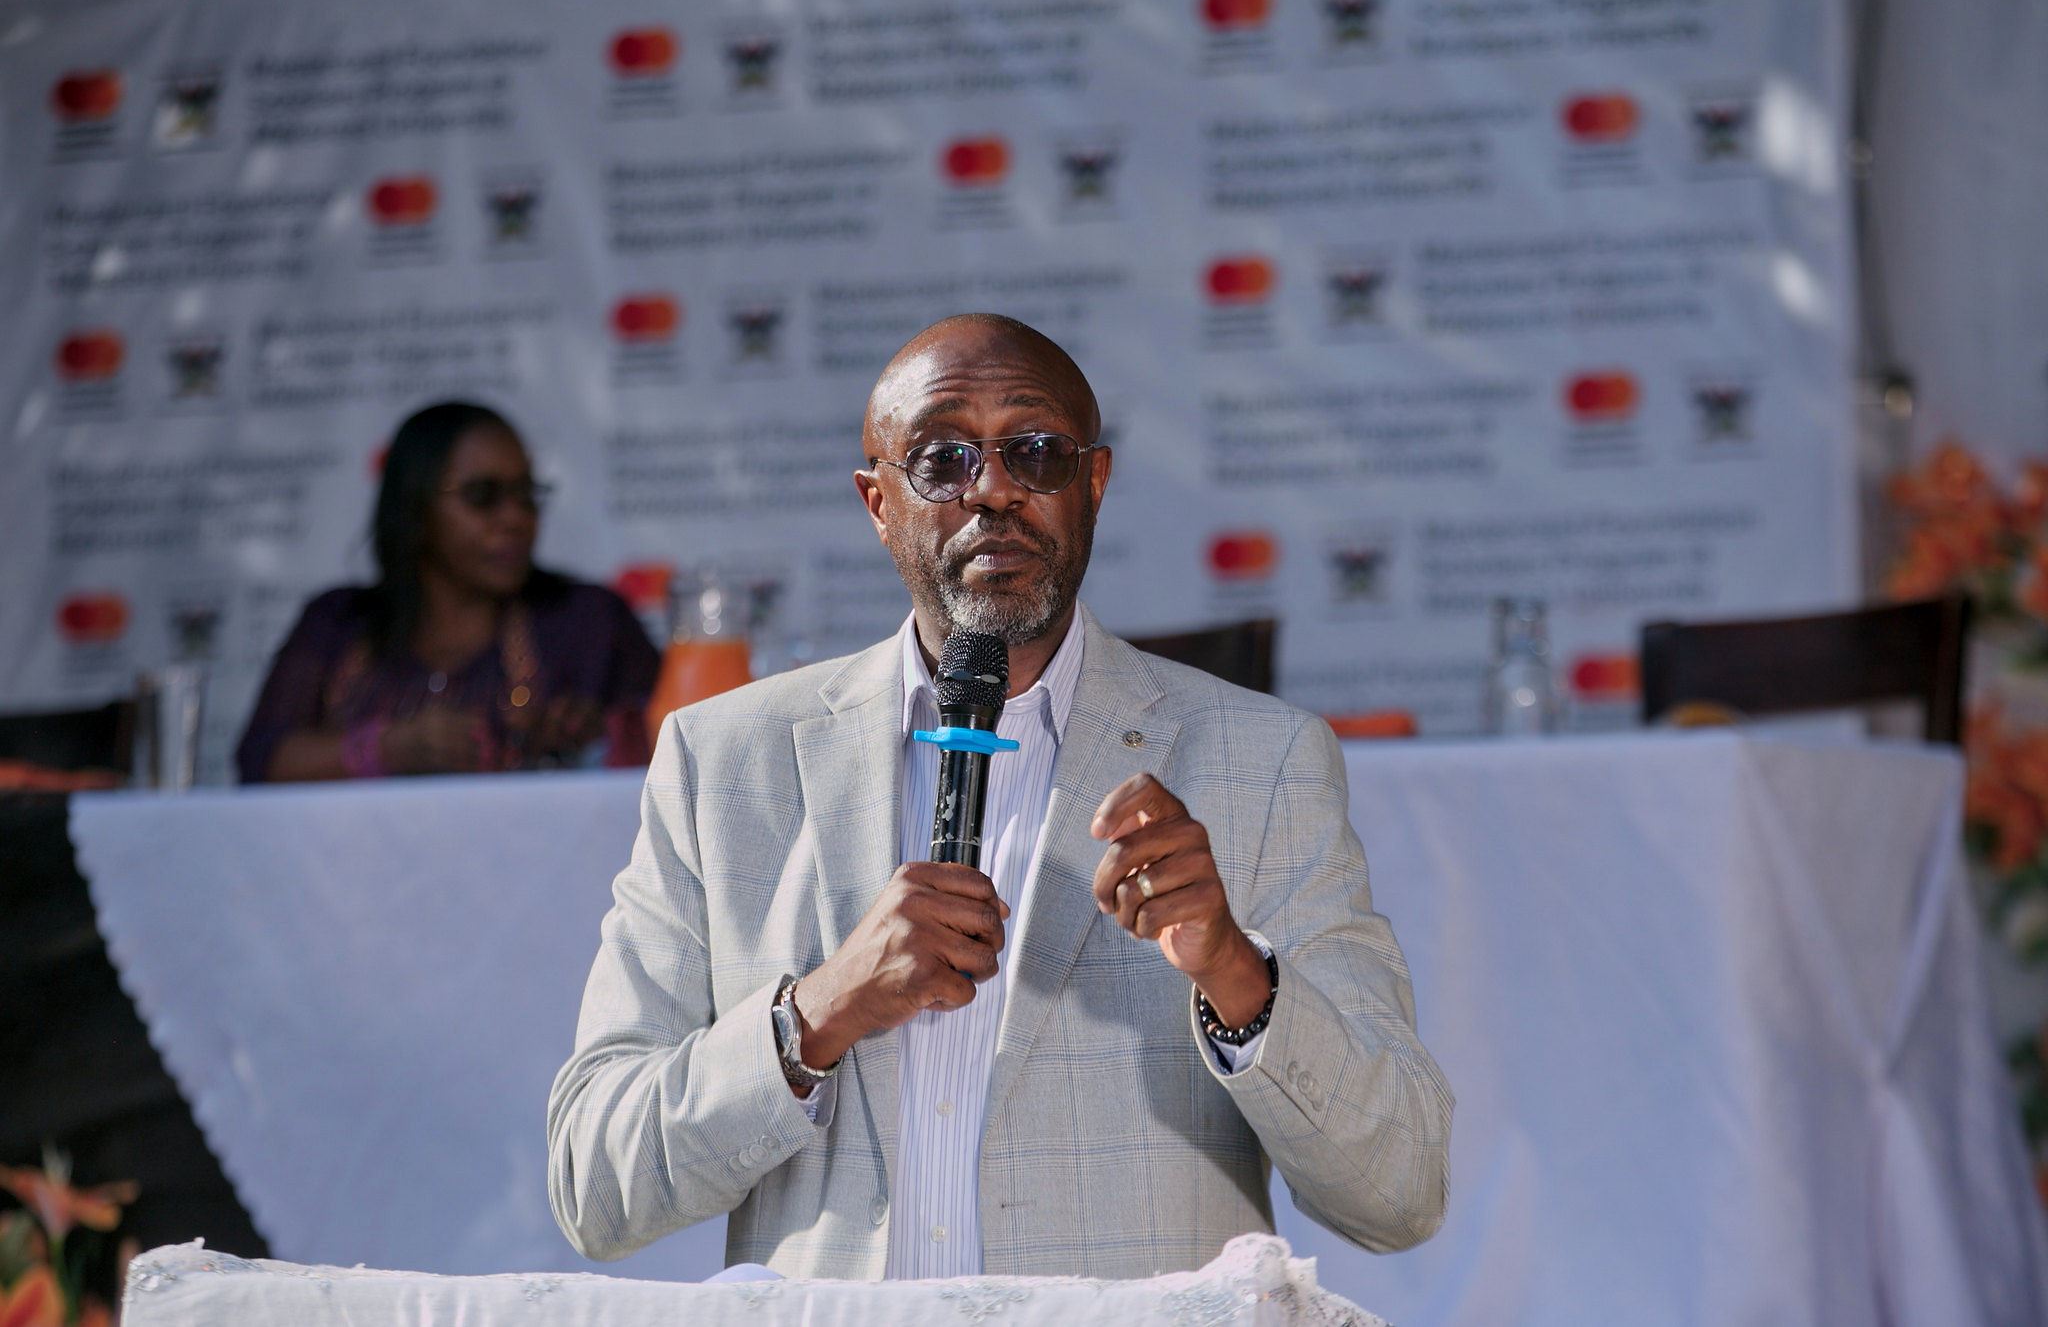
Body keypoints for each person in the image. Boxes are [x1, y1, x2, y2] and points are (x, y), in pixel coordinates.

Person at [547, 316, 1451, 1279]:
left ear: (1092, 484)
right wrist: (818, 1012)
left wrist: (1234, 972)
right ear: (878, 502)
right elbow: (595, 1187)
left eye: (1036, 452)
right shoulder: (723, 763)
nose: (993, 490)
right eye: (942, 458)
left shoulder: (1260, 762)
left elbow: (1401, 1191)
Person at [235, 401, 658, 783]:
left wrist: (601, 740)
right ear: (414, 508)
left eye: (525, 494)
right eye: (482, 496)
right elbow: (261, 760)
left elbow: (679, 749)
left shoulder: (587, 620)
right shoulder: (340, 621)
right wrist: (388, 749)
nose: (514, 518)